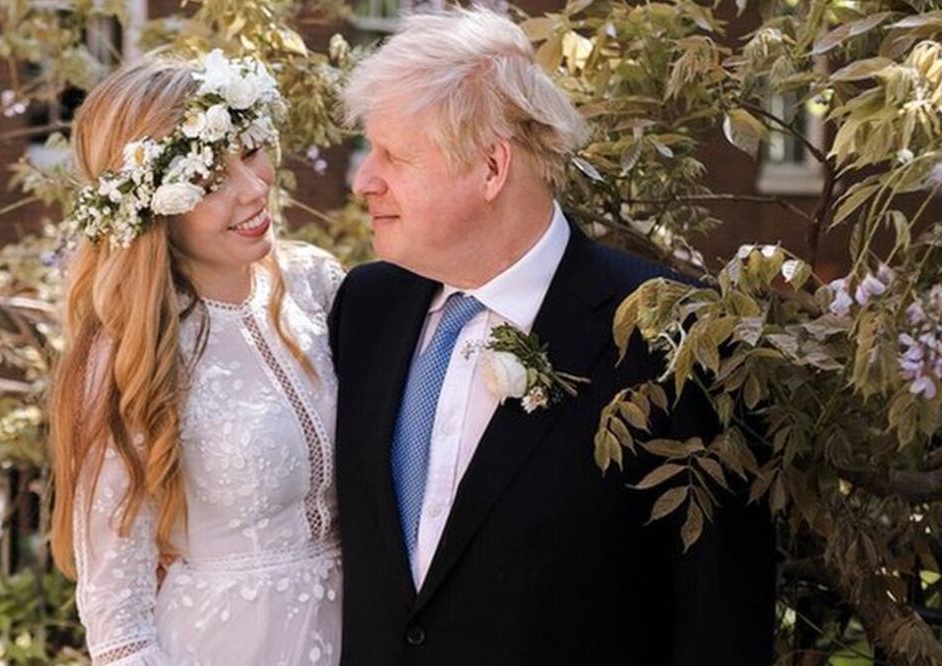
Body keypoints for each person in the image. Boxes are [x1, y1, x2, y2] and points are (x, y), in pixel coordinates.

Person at [329, 8, 775, 665]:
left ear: (491, 168)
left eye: (394, 155)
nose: (365, 180)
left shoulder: (673, 337)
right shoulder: (364, 308)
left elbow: (721, 624)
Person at [47, 50, 344, 665]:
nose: (253, 186)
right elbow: (119, 619)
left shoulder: (320, 282)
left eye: (253, 149)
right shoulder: (130, 353)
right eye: (210, 181)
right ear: (153, 208)